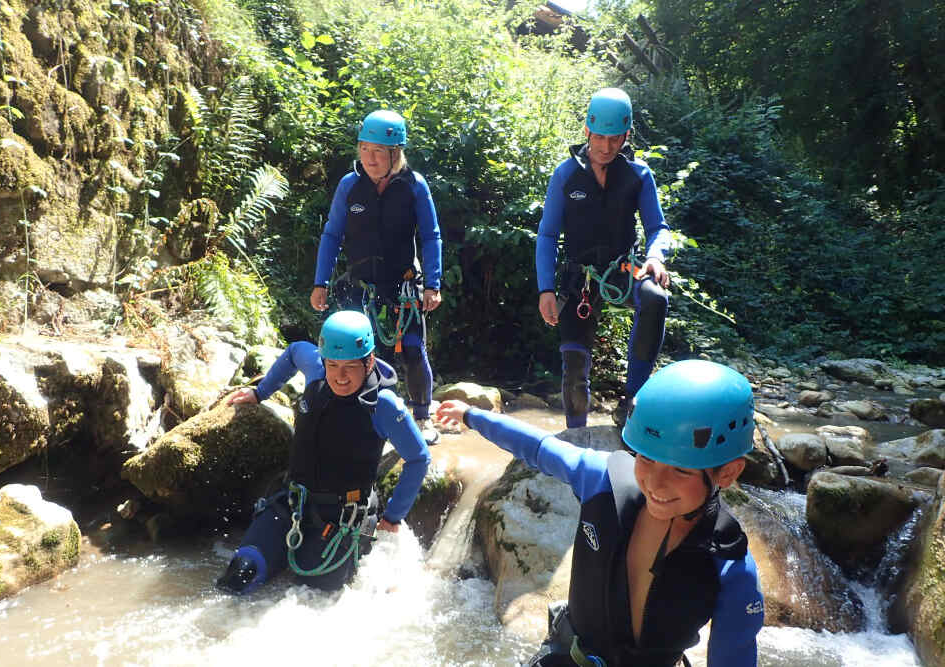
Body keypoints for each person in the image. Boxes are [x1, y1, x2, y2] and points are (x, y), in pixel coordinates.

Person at [436, 360, 764, 666]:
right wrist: (472, 416)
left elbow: (733, 656)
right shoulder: (605, 481)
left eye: (680, 470)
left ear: (727, 473)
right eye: (646, 458)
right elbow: (538, 448)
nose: (655, 484)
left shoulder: (730, 565)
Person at [216, 310, 431, 593]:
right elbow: (295, 351)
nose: (339, 377)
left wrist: (393, 516)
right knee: (240, 577)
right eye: (333, 365)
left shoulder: (384, 405)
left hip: (344, 518)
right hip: (292, 505)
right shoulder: (317, 372)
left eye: (349, 367)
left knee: (311, 599)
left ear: (368, 362)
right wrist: (260, 392)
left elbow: (418, 458)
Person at [536, 87, 672, 428]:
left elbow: (659, 227)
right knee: (573, 365)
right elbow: (548, 235)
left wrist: (656, 257)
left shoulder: (638, 175)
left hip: (623, 267)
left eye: (615, 139)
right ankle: (577, 434)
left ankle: (632, 402)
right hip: (578, 275)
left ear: (626, 136)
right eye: (600, 138)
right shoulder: (566, 175)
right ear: (587, 132)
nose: (606, 147)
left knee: (655, 297)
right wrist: (545, 289)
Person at [311, 109, 443, 445]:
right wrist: (320, 282)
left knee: (413, 350)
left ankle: (422, 416)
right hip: (360, 288)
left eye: (378, 152)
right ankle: (371, 420)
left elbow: (430, 235)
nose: (370, 158)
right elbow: (331, 235)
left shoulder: (414, 186)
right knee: (365, 359)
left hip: (403, 287)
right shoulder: (350, 186)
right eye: (365, 149)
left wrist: (432, 284)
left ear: (394, 153)